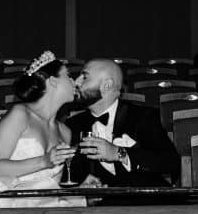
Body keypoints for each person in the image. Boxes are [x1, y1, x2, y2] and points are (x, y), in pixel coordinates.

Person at [0, 49, 79, 204]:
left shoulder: (65, 132)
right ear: (53, 81)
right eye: (68, 75)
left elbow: (52, 187)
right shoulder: (20, 115)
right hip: (6, 199)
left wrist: (81, 190)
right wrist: (44, 161)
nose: (74, 82)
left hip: (41, 206)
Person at [67, 58, 180, 187]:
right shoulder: (72, 124)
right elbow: (68, 173)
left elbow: (170, 162)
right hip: (98, 205)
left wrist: (118, 153)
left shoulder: (142, 116)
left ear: (106, 85)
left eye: (84, 77)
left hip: (141, 201)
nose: (76, 82)